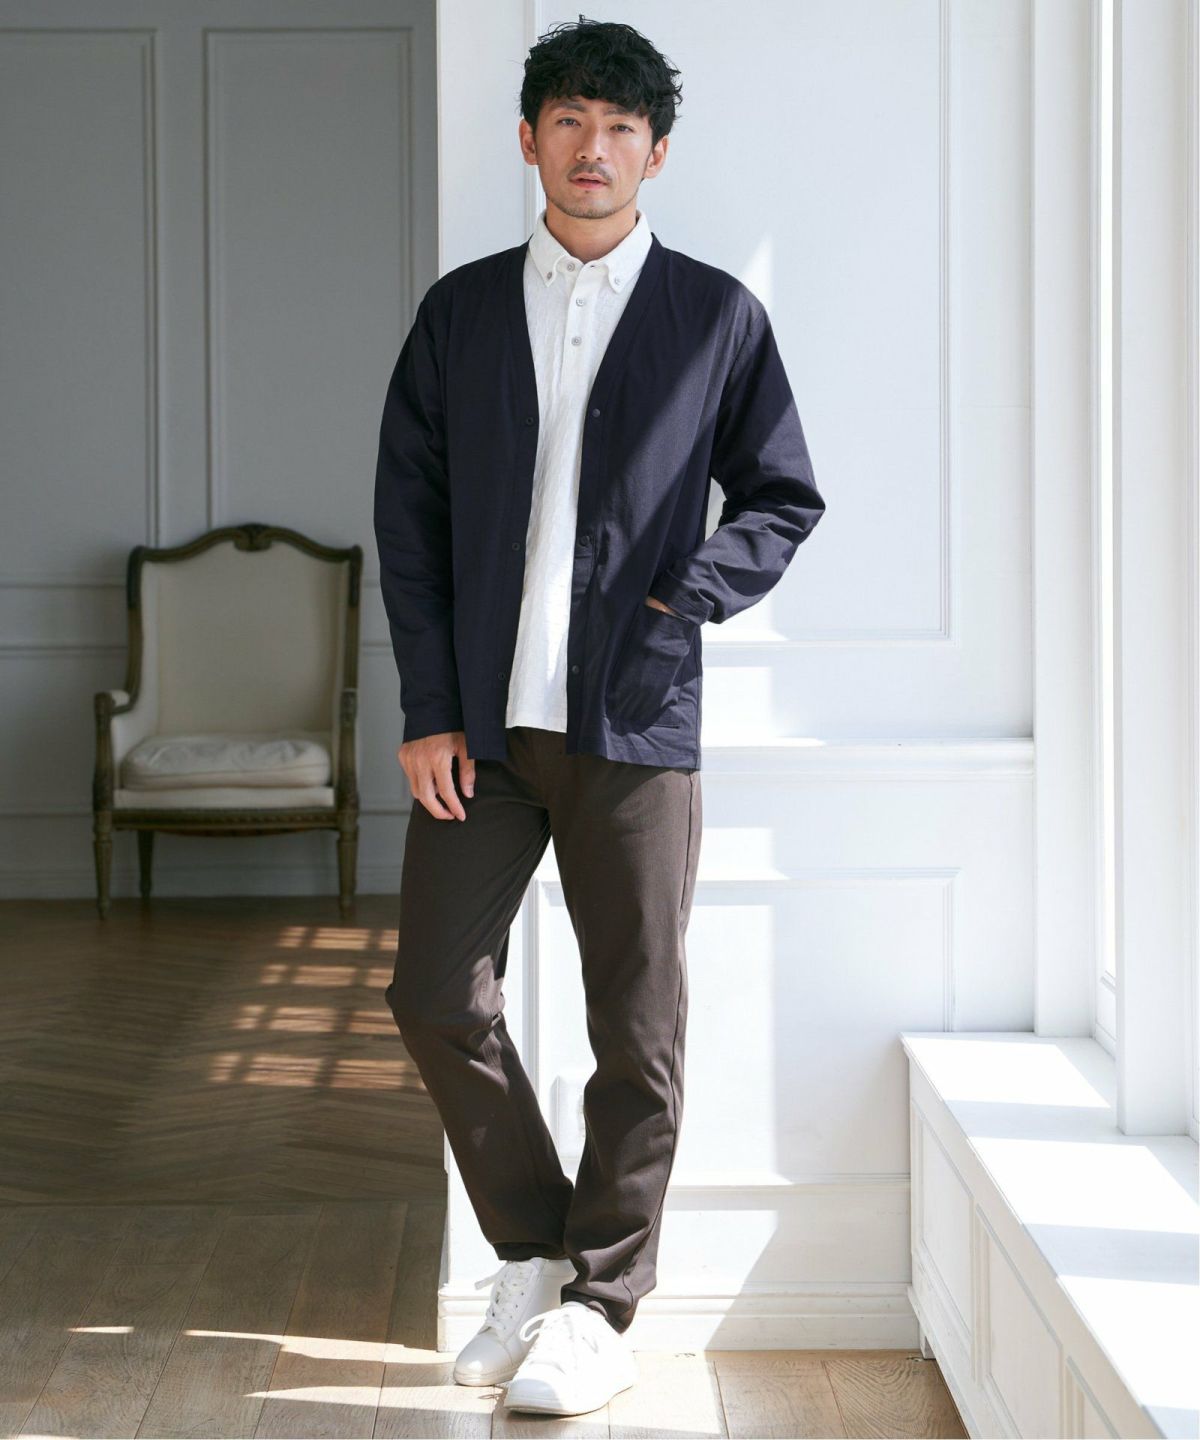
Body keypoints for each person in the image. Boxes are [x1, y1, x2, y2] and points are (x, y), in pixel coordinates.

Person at [373, 13, 825, 1419]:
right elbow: (412, 517)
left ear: (656, 153)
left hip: (634, 721)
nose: (594, 147)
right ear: (529, 138)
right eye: (570, 119)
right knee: (435, 993)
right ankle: (535, 1253)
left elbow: (782, 496)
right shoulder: (459, 314)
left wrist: (685, 596)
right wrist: (429, 707)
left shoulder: (714, 316)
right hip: (482, 732)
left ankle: (602, 1308)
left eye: (622, 127)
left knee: (638, 1023)